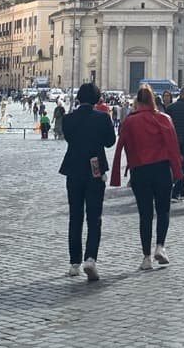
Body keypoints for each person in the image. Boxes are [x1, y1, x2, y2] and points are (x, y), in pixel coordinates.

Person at [111, 85, 183, 271]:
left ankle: (146, 257)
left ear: (137, 101)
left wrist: (118, 174)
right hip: (161, 169)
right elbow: (173, 147)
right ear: (153, 100)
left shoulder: (130, 122)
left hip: (140, 171)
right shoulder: (164, 119)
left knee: (145, 215)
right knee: (163, 210)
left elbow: (121, 147)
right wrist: (177, 172)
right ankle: (160, 246)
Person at [59, 83, 116, 281]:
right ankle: (90, 258)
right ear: (97, 99)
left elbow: (69, 138)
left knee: (75, 216)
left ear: (79, 98)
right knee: (94, 217)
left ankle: (74, 263)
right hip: (95, 170)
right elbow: (110, 141)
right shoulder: (102, 118)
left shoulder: (68, 119)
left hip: (73, 169)